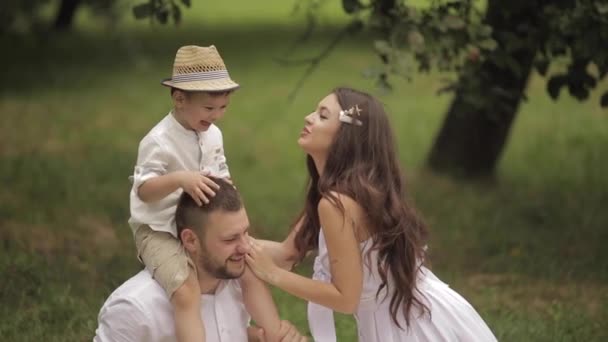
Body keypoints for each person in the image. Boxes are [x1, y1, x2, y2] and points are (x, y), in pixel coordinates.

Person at [246, 87, 498, 341]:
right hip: (414, 313)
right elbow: (287, 252)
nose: (308, 118)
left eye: (322, 116)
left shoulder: (337, 204)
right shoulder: (339, 191)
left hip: (414, 326)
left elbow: (346, 298)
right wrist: (220, 247)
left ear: (346, 137)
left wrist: (275, 275)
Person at [128, 45, 281, 342]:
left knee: (250, 266)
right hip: (160, 230)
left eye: (223, 108)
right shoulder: (158, 141)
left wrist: (228, 187)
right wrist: (179, 179)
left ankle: (276, 335)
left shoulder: (213, 135)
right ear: (179, 98)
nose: (217, 116)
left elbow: (220, 172)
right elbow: (144, 191)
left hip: (201, 224)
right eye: (209, 109)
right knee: (186, 291)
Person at [96, 178, 306, 342]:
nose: (245, 246)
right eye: (230, 238)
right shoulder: (135, 307)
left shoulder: (236, 283)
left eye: (246, 233)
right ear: (190, 240)